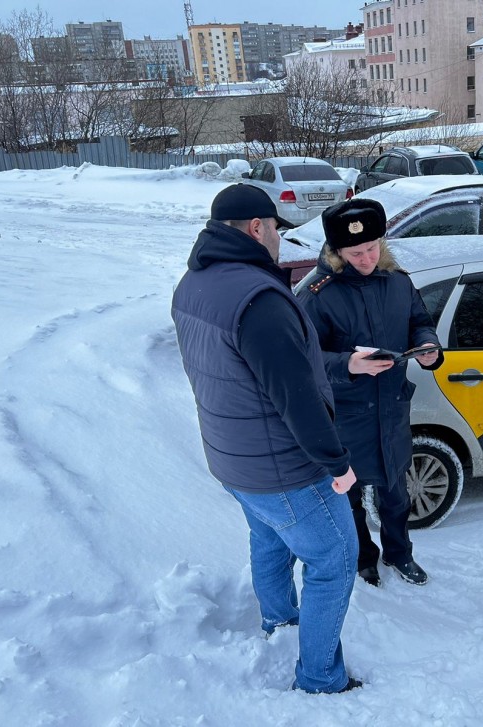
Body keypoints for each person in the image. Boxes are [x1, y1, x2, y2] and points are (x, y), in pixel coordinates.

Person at [170, 184, 362, 695]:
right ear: (257, 228)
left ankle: (281, 623)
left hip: (234, 460)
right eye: (277, 228)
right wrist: (337, 463)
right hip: (285, 468)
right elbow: (294, 394)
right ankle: (321, 676)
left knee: (270, 539)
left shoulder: (193, 283)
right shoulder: (257, 300)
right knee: (336, 559)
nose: (280, 238)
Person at [297, 198, 443, 588]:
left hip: (392, 410)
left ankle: (400, 554)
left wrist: (429, 348)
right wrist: (348, 364)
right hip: (345, 417)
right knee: (350, 498)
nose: (366, 258)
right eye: (356, 252)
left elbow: (420, 322)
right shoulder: (317, 293)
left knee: (396, 496)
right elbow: (301, 358)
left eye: (373, 248)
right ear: (336, 252)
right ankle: (363, 558)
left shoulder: (398, 282)